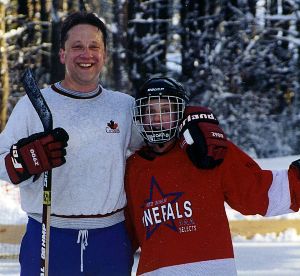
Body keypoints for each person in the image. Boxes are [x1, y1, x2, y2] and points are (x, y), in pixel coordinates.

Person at [0, 11, 142, 276]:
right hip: (48, 234)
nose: (86, 54)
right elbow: (1, 159)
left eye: (94, 47)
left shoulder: (124, 106)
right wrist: (25, 160)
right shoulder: (34, 105)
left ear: (105, 55)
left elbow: (154, 150)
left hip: (109, 239)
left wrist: (191, 123)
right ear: (63, 54)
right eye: (77, 47)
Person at [124, 76, 300, 275]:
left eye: (166, 110)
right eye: (150, 111)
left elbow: (258, 193)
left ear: (180, 113)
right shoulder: (132, 169)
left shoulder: (208, 151)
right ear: (140, 117)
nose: (157, 119)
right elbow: (120, 239)